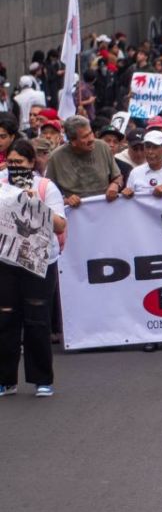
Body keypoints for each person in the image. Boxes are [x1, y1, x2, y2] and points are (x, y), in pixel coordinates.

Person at [0, 139, 67, 397]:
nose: (15, 167)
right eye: (11, 162)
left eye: (21, 163)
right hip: (7, 261)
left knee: (37, 320)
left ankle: (42, 379)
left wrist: (35, 203)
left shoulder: (45, 187)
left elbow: (60, 225)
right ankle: (6, 379)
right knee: (6, 318)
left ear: (31, 163)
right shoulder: (2, 184)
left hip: (39, 263)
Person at [44, 115, 122, 206]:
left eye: (90, 133)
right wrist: (65, 200)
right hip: (75, 213)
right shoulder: (56, 157)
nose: (91, 139)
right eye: (85, 137)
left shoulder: (102, 147)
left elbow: (118, 177)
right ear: (73, 141)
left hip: (104, 207)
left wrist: (115, 185)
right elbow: (48, 192)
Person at [123, 130, 162, 198]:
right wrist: (126, 195)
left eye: (155, 147)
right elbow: (129, 201)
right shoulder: (135, 172)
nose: (150, 151)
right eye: (147, 147)